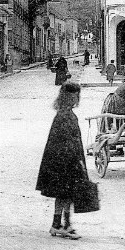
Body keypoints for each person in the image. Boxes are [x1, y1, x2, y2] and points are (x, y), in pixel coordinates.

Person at [36, 82, 88, 239]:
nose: (77, 99)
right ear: (69, 96)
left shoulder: (64, 113)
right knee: (65, 194)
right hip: (65, 161)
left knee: (65, 194)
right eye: (75, 96)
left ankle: (60, 224)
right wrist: (77, 161)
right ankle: (61, 225)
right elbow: (68, 141)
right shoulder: (65, 115)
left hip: (62, 160)